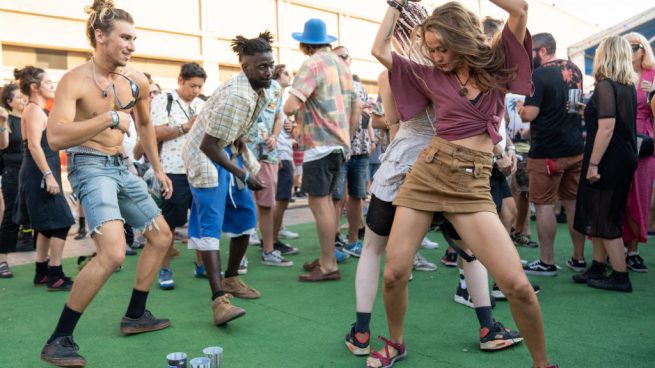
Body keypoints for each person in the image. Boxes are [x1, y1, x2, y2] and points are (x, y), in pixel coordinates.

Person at [369, 1, 555, 367]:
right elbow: (379, 51)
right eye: (432, 49)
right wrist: (393, 5)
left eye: (443, 48)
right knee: (393, 273)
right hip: (427, 172)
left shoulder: (497, 64)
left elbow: (519, 10)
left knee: (516, 284)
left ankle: (542, 363)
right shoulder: (429, 75)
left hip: (470, 182)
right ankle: (396, 341)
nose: (437, 56)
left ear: (461, 38)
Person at [40, 1, 175, 366]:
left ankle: (135, 315)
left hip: (121, 166)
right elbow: (54, 137)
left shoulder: (136, 81)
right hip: (88, 165)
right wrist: (109, 118)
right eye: (125, 37)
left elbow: (145, 125)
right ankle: (59, 339)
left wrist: (158, 168)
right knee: (113, 253)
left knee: (162, 235)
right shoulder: (76, 80)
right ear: (100, 36)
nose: (132, 45)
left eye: (134, 38)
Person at [183, 31, 273, 326]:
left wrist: (243, 165)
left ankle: (232, 278)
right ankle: (218, 299)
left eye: (270, 64)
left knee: (246, 215)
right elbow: (207, 145)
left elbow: (231, 137)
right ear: (245, 67)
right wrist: (244, 175)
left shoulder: (258, 88)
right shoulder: (236, 95)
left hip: (228, 154)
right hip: (206, 158)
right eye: (261, 66)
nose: (268, 71)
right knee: (210, 225)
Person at [283, 18, 359, 281]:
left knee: (319, 202)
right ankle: (327, 258)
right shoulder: (341, 64)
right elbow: (355, 107)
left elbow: (290, 106)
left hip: (320, 143)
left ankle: (328, 264)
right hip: (339, 143)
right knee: (327, 202)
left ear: (305, 44)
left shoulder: (312, 63)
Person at [572, 36, 639, 292]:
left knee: (606, 217)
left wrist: (592, 165)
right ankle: (598, 266)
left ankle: (620, 276)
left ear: (605, 55)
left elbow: (607, 128)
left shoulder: (605, 85)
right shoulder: (626, 86)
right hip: (623, 156)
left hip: (608, 158)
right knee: (601, 214)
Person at [519, 32, 586, 276]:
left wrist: (520, 109)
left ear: (543, 51)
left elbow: (530, 114)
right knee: (573, 203)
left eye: (532, 51)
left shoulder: (538, 75)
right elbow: (576, 108)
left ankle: (546, 262)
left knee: (544, 204)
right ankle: (578, 258)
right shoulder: (575, 70)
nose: (530, 56)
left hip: (547, 151)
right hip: (575, 148)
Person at [13, 66, 76, 292]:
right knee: (62, 222)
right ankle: (55, 275)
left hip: (39, 171)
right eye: (48, 83)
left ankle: (41, 272)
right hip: (39, 173)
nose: (52, 86)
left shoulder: (37, 110)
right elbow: (33, 146)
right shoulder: (33, 111)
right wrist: (49, 175)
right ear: (34, 87)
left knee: (46, 226)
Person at [152, 62, 207, 289]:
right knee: (169, 224)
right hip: (172, 171)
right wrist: (186, 126)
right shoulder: (163, 101)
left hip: (200, 170)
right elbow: (156, 133)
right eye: (192, 86)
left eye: (200, 87)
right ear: (180, 80)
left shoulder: (203, 103)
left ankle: (202, 265)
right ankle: (164, 270)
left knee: (202, 221)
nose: (196, 91)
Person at [621, 32, 655, 273]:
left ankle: (633, 251)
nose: (631, 50)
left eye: (635, 46)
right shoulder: (618, 73)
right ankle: (617, 246)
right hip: (619, 136)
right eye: (627, 46)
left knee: (640, 196)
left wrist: (652, 92)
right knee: (618, 195)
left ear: (644, 50)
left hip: (644, 139)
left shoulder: (652, 76)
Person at [0, 83, 27, 279]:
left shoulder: (31, 116)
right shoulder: (6, 120)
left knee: (36, 213)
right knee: (11, 216)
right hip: (12, 172)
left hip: (30, 171)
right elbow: (3, 145)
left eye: (24, 96)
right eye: (19, 97)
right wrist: (3, 122)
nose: (23, 99)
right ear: (9, 102)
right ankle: (2, 260)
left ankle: (47, 263)